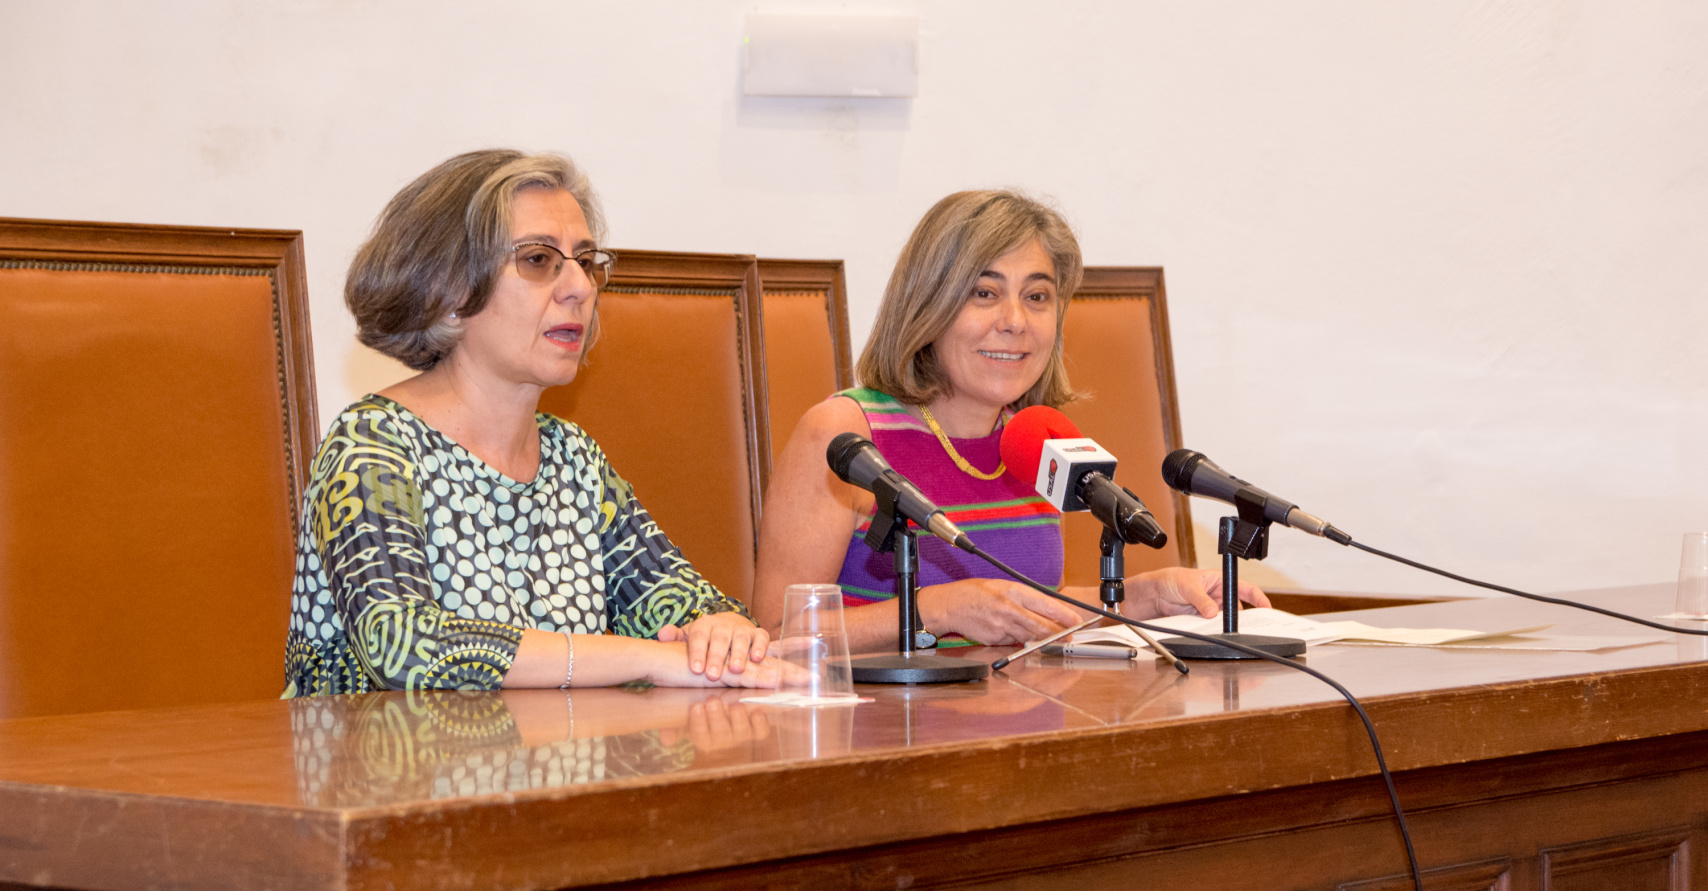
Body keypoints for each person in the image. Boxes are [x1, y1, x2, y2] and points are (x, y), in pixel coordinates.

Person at [284, 150, 776, 696]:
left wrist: (721, 630)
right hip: (379, 752)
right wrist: (649, 659)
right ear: (448, 292)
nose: (580, 287)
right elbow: (404, 646)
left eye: (585, 261)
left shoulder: (572, 457)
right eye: (539, 259)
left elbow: (681, 601)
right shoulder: (372, 445)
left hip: (550, 752)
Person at [753, 190, 1268, 651]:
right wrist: (937, 610)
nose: (1015, 321)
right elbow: (776, 633)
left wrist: (1146, 596)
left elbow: (1027, 610)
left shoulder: (1030, 439)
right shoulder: (846, 434)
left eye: (1036, 297)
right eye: (985, 293)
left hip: (1021, 713)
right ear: (926, 305)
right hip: (882, 721)